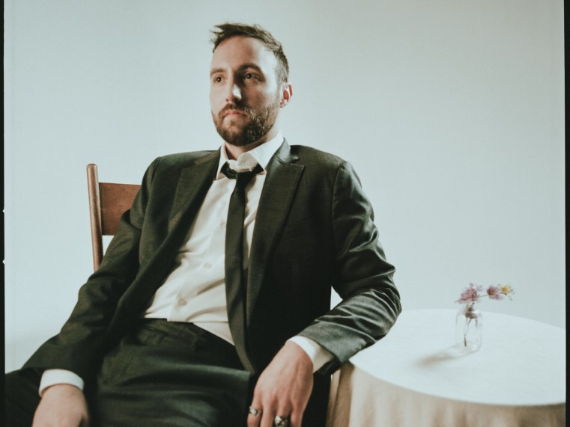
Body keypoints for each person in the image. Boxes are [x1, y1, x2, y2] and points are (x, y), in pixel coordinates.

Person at [5, 23, 401, 427]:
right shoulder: (166, 174)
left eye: (250, 76)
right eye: (219, 78)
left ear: (285, 93)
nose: (232, 93)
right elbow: (107, 285)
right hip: (114, 353)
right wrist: (63, 380)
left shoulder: (325, 178)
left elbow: (378, 290)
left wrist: (304, 349)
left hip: (215, 373)